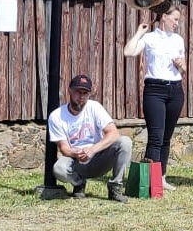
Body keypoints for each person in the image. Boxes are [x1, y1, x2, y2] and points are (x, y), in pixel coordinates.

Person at [124, 7, 186, 192]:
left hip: (175, 89)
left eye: (178, 20)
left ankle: (161, 177)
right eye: (174, 19)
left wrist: (182, 66)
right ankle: (151, 179)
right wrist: (139, 32)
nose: (177, 23)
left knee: (166, 137)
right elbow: (128, 52)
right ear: (164, 17)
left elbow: (183, 70)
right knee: (156, 137)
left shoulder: (178, 40)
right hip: (155, 90)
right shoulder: (149, 38)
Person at [47, 74, 132, 203]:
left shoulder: (94, 107)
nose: (81, 97)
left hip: (99, 156)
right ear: (69, 91)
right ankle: (78, 184)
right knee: (59, 169)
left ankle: (115, 187)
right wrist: (75, 153)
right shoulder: (57, 116)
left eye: (85, 93)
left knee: (125, 142)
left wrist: (92, 149)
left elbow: (113, 133)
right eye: (77, 92)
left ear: (89, 94)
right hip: (76, 160)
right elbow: (64, 148)